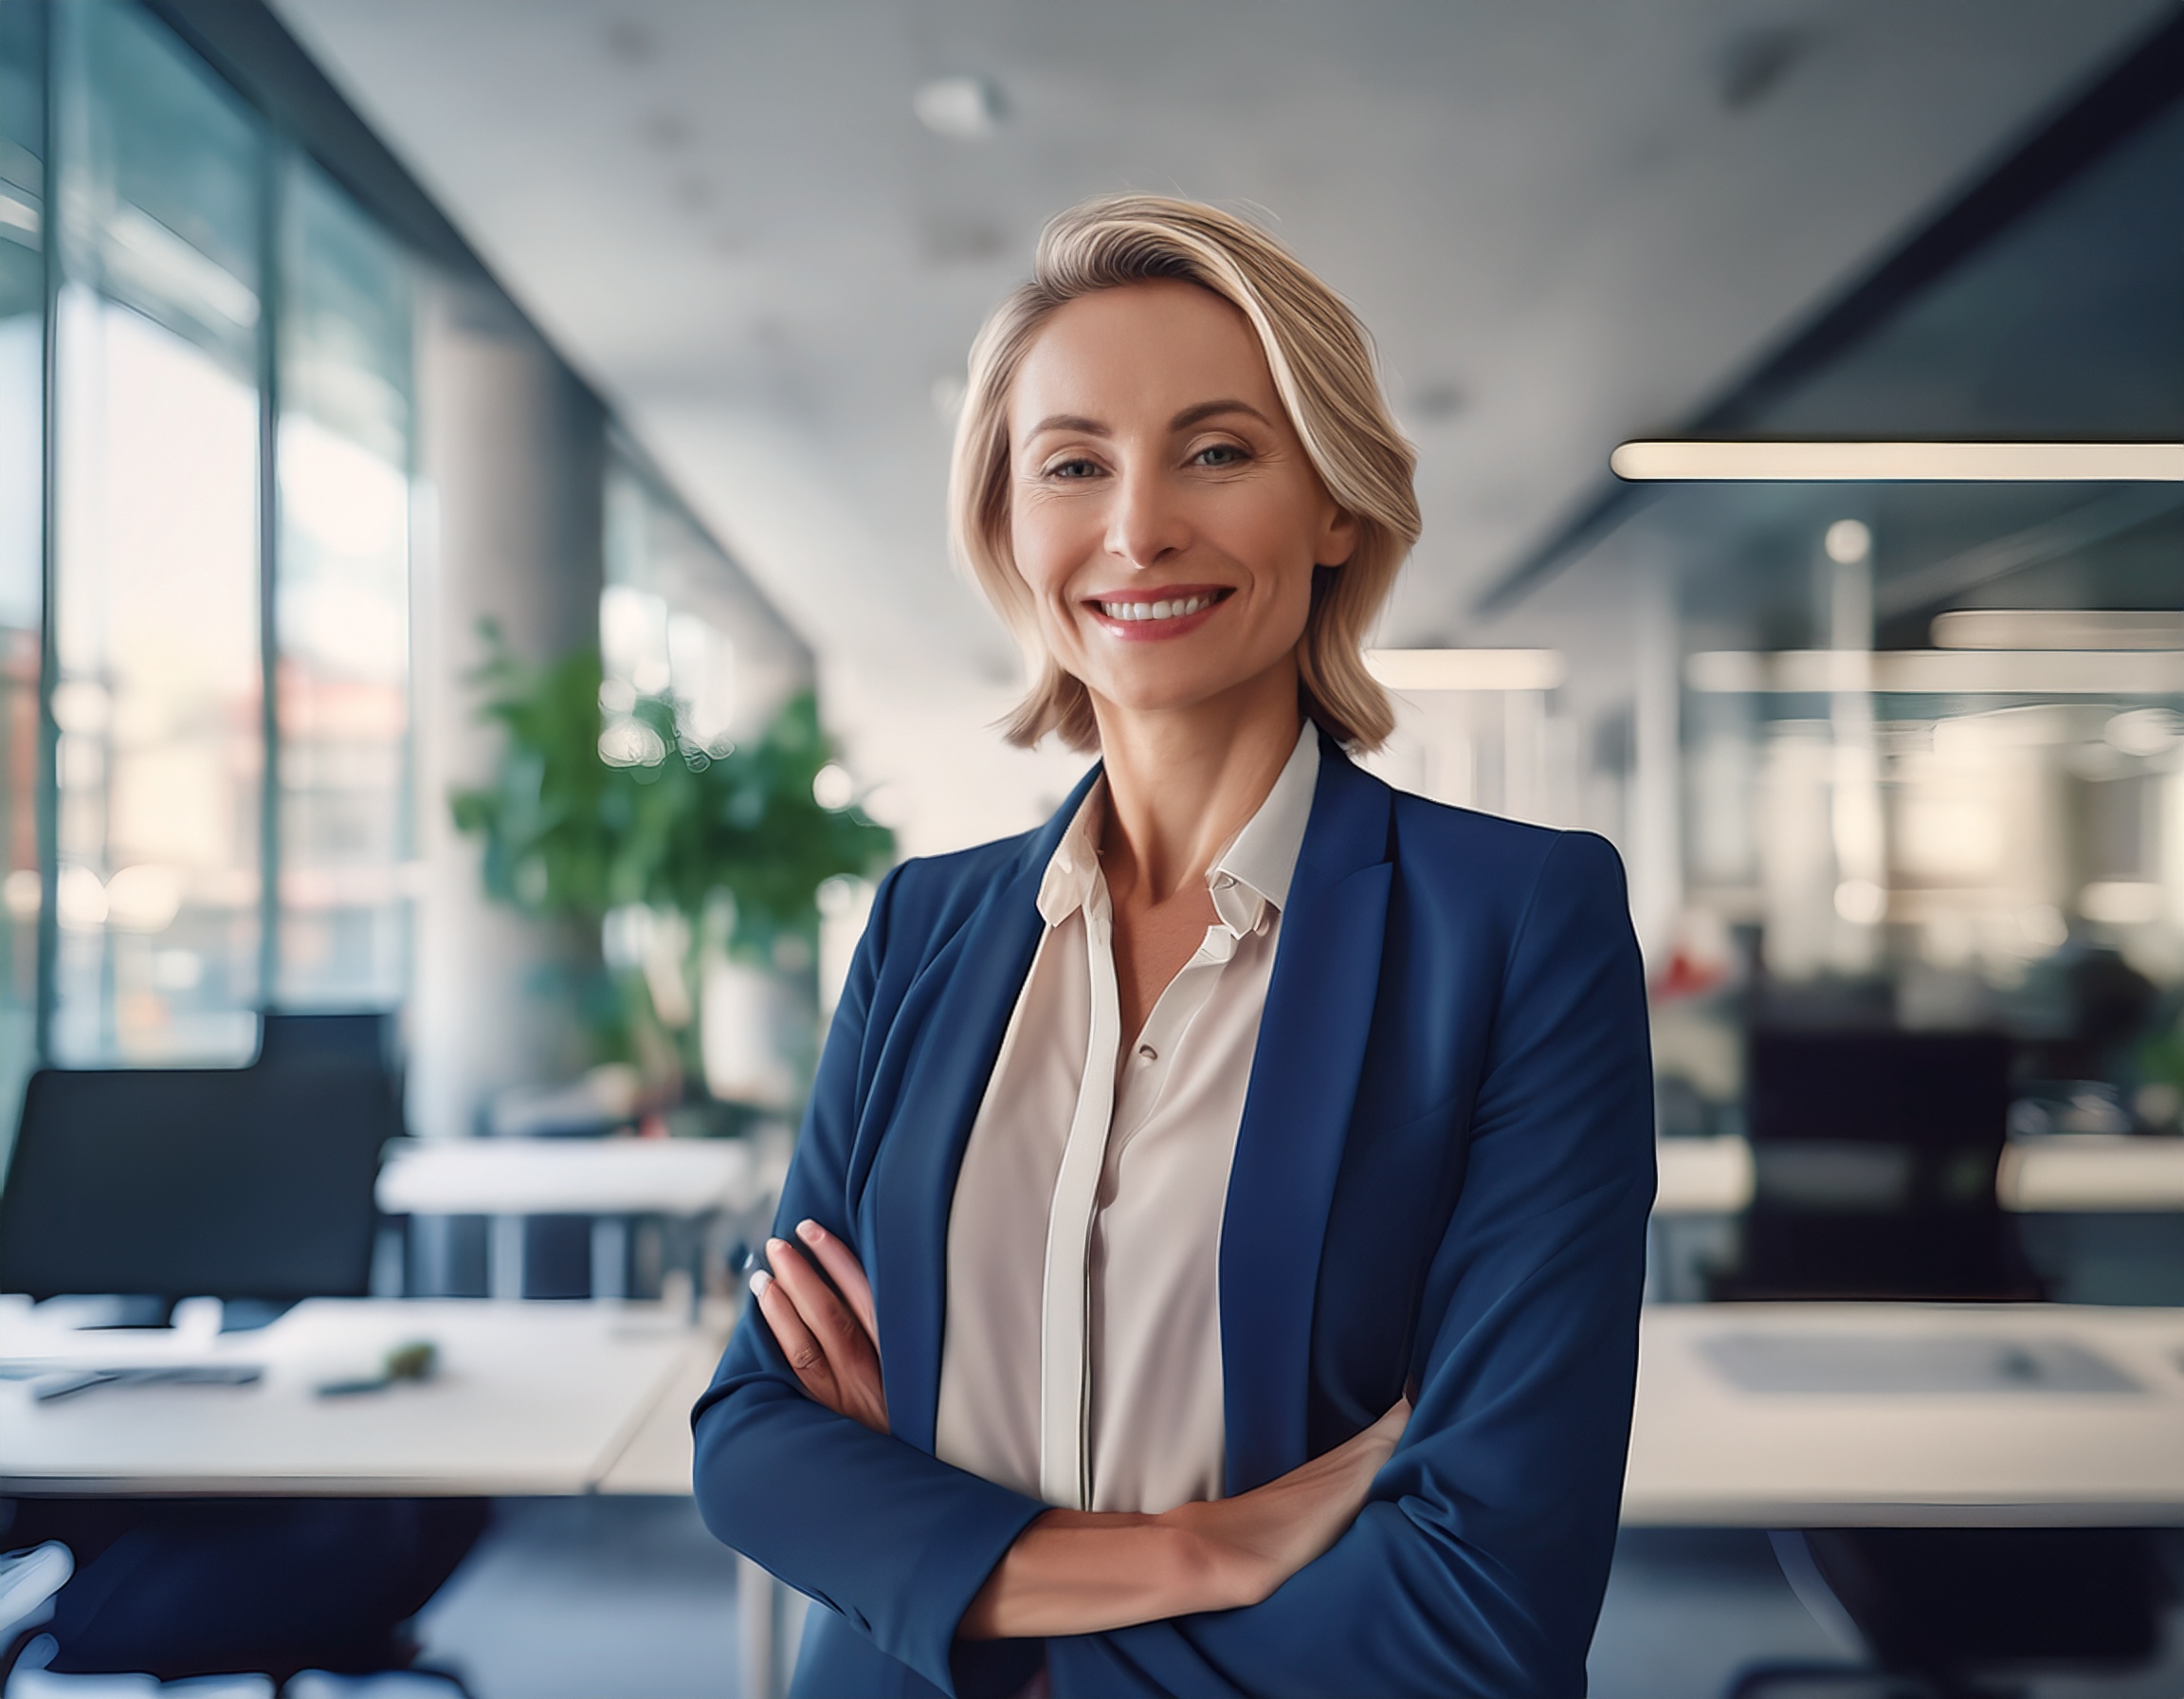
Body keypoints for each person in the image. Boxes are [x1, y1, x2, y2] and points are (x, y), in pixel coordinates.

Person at [692, 194, 1654, 1699]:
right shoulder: (926, 928)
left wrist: (952, 1560)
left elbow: (1483, 1608)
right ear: (1011, 526)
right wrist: (1198, 1551)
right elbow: (755, 1444)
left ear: (1334, 504)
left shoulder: (1518, 924)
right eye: (1073, 465)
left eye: (1217, 450)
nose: (1140, 526)